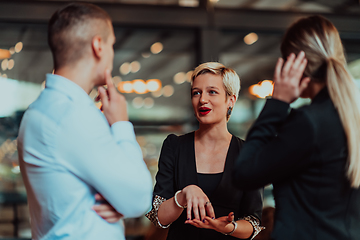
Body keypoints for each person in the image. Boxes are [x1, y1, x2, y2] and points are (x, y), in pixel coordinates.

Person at [17, 3, 153, 240]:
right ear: (98, 45)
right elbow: (140, 198)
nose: (112, 53)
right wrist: (121, 124)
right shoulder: (72, 114)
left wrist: (119, 199)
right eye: (112, 44)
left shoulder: (43, 110)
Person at [233, 15, 360, 240]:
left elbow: (244, 172)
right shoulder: (350, 119)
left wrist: (277, 103)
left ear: (295, 63)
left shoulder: (309, 123)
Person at [146, 62, 264, 240]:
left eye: (212, 92)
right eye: (196, 93)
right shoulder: (174, 146)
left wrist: (228, 228)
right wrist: (184, 195)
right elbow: (159, 217)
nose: (202, 99)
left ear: (230, 100)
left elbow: (253, 223)